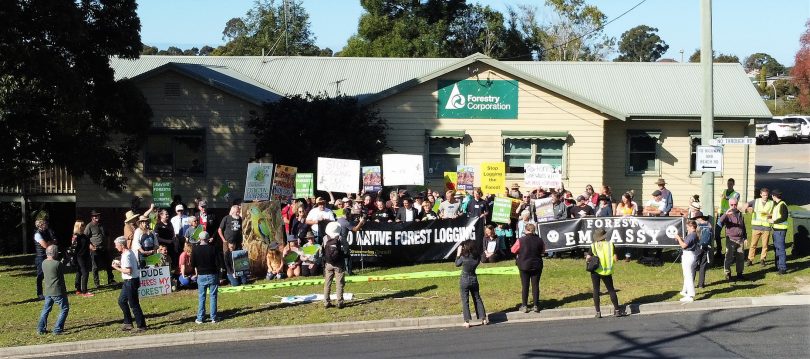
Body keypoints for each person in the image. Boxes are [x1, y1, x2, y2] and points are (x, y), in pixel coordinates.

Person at [586, 229, 625, 318]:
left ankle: (598, 312)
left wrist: (590, 259)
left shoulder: (593, 246)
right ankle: (617, 310)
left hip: (595, 271)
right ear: (604, 236)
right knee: (611, 290)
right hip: (607, 271)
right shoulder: (610, 245)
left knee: (596, 290)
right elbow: (615, 259)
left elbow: (588, 258)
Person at [111, 236, 146, 332]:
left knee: (134, 304)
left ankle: (141, 326)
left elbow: (128, 271)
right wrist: (120, 264)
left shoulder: (126, 255)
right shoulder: (128, 252)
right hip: (128, 282)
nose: (115, 247)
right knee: (122, 301)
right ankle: (128, 323)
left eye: (116, 245)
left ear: (122, 245)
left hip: (131, 281)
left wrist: (116, 268)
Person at [511, 223, 544, 313]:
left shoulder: (521, 240)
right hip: (537, 265)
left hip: (524, 265)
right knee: (535, 285)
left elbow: (513, 250)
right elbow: (543, 251)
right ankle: (536, 305)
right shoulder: (539, 240)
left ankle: (524, 305)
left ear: (526, 230)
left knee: (525, 286)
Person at [191, 232, 223, 324]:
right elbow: (218, 263)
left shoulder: (195, 249)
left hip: (201, 275)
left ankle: (200, 318)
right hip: (212, 274)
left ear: (199, 239)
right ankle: (214, 317)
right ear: (209, 238)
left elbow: (193, 264)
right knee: (213, 296)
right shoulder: (213, 248)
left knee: (202, 297)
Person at [37, 245, 69, 335]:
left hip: (47, 291)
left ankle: (41, 328)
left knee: (46, 309)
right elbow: (63, 268)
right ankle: (57, 329)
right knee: (64, 308)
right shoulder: (57, 264)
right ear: (55, 253)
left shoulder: (44, 263)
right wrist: (66, 258)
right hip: (57, 291)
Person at [455, 240, 487, 328]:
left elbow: (457, 264)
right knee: (477, 298)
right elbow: (482, 258)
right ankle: (483, 318)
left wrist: (458, 254)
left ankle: (467, 321)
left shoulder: (463, 257)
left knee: (465, 300)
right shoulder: (476, 257)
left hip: (464, 279)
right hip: (474, 278)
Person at [719, 198, 747, 282]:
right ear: (729, 205)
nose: (734, 206)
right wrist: (725, 214)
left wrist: (745, 237)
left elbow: (743, 226)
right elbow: (720, 221)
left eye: (735, 204)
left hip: (740, 239)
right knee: (729, 257)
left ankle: (739, 274)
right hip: (731, 239)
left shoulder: (739, 213)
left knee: (740, 257)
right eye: (732, 205)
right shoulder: (727, 214)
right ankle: (727, 274)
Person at [745, 188, 774, 267]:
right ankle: (750, 259)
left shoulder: (771, 203)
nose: (765, 197)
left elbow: (774, 214)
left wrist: (768, 215)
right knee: (753, 245)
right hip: (756, 227)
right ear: (761, 194)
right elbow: (746, 204)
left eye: (766, 195)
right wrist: (746, 208)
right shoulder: (756, 201)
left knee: (765, 245)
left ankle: (762, 260)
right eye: (764, 195)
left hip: (766, 227)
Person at [86, 211, 115, 288]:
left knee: (109, 264)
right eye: (95, 216)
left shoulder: (102, 225)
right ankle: (97, 283)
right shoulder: (89, 226)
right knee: (95, 266)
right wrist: (90, 246)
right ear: (92, 217)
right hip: (95, 249)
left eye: (98, 216)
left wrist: (108, 245)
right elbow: (85, 238)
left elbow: (108, 235)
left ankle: (111, 279)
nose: (97, 217)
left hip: (104, 248)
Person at [322, 222, 346, 309]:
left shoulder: (325, 238)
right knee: (339, 283)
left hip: (328, 263)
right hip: (339, 263)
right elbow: (346, 248)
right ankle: (339, 301)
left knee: (327, 283)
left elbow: (323, 249)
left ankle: (326, 301)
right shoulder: (340, 238)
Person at [674, 221, 700, 302]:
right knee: (687, 274)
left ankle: (690, 295)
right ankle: (684, 291)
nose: (687, 228)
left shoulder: (692, 235)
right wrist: (681, 239)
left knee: (688, 276)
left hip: (688, 255)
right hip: (689, 255)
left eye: (688, 227)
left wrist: (678, 238)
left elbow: (683, 245)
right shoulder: (692, 235)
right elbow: (686, 243)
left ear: (692, 227)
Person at [716, 178, 741, 255]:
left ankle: (731, 251)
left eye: (730, 184)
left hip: (730, 216)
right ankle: (719, 250)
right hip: (721, 215)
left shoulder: (736, 194)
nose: (729, 185)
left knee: (729, 234)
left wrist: (726, 197)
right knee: (717, 233)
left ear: (733, 184)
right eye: (728, 183)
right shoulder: (724, 191)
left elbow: (734, 200)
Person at [34, 219, 56, 300]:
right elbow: (45, 245)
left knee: (49, 275)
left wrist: (50, 242)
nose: (47, 224)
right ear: (40, 225)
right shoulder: (37, 234)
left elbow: (54, 241)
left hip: (48, 256)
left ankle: (50, 292)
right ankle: (39, 293)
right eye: (45, 223)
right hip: (41, 257)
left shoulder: (47, 232)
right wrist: (50, 242)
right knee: (40, 276)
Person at [691, 211, 713, 289]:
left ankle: (691, 283)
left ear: (697, 218)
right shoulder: (708, 224)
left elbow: (693, 236)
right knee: (703, 266)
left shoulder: (696, 225)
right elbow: (711, 235)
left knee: (693, 265)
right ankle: (701, 284)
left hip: (697, 247)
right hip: (706, 247)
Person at [770, 189, 790, 275]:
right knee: (776, 248)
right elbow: (778, 215)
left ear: (774, 196)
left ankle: (782, 268)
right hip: (776, 230)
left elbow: (784, 217)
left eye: (772, 196)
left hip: (780, 231)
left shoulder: (782, 205)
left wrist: (773, 221)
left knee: (780, 249)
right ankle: (777, 266)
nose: (771, 197)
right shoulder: (777, 204)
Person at [71, 220, 93, 297]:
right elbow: (73, 248)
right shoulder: (76, 236)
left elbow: (88, 244)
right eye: (82, 225)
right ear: (78, 226)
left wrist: (91, 246)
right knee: (85, 272)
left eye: (84, 225)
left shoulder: (84, 236)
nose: (84, 226)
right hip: (79, 256)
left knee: (79, 272)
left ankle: (78, 289)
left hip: (86, 255)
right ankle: (84, 291)